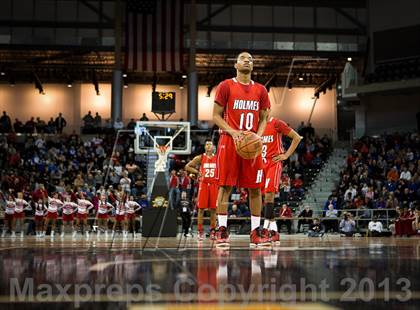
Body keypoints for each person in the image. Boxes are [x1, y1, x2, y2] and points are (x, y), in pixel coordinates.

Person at [212, 51, 271, 248]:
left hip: (251, 144)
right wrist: (233, 132)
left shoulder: (261, 90)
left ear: (252, 67)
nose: (247, 60)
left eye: (251, 59)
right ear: (236, 65)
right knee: (225, 187)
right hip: (229, 141)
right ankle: (221, 230)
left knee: (255, 189)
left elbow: (264, 118)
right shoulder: (226, 86)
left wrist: (258, 136)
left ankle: (255, 231)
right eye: (243, 58)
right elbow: (216, 116)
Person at [261, 116, 302, 243]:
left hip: (274, 162)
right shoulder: (255, 125)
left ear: (268, 109)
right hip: (259, 163)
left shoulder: (277, 123)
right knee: (262, 199)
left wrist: (286, 155)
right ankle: (274, 231)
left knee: (269, 196)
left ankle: (265, 229)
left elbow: (297, 137)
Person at [185, 140, 218, 241]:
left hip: (214, 184)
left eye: (210, 144)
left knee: (213, 210)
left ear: (213, 147)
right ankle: (200, 231)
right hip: (203, 185)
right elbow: (187, 166)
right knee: (201, 209)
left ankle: (213, 231)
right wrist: (197, 172)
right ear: (205, 147)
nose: (208, 146)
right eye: (206, 144)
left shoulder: (218, 158)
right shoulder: (200, 157)